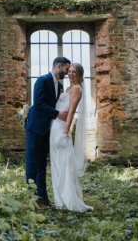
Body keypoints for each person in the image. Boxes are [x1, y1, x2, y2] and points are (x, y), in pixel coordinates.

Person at [25, 57, 71, 208]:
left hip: (48, 130)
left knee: (42, 164)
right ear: (59, 66)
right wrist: (57, 114)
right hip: (35, 128)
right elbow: (38, 104)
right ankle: (32, 198)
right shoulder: (42, 80)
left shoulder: (59, 86)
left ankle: (43, 197)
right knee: (32, 164)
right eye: (66, 69)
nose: (67, 73)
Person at [49, 63, 93, 212]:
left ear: (80, 74)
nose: (71, 74)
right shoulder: (66, 88)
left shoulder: (77, 89)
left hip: (62, 129)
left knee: (66, 164)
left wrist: (66, 131)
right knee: (56, 163)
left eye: (74, 72)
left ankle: (69, 198)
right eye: (70, 71)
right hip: (54, 127)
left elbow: (72, 111)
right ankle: (59, 198)